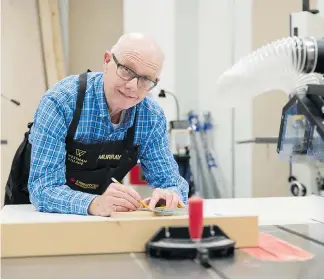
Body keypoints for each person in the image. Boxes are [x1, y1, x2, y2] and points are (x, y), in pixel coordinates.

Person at [4, 33, 189, 216]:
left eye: (146, 79)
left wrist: (170, 194)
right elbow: (43, 189)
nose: (133, 86)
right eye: (126, 70)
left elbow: (171, 182)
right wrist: (94, 203)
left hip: (94, 216)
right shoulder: (61, 102)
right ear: (107, 60)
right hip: (31, 213)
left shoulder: (151, 117)